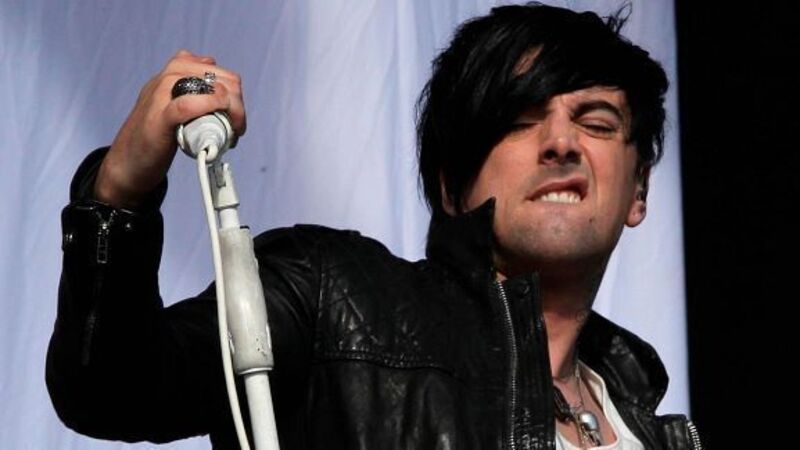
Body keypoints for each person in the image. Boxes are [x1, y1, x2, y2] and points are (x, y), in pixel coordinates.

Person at [46, 3, 701, 449]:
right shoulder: (331, 296)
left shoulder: (651, 421)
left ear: (638, 190)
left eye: (596, 122)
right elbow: (113, 388)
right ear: (450, 185)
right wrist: (119, 192)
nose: (560, 142)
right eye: (520, 120)